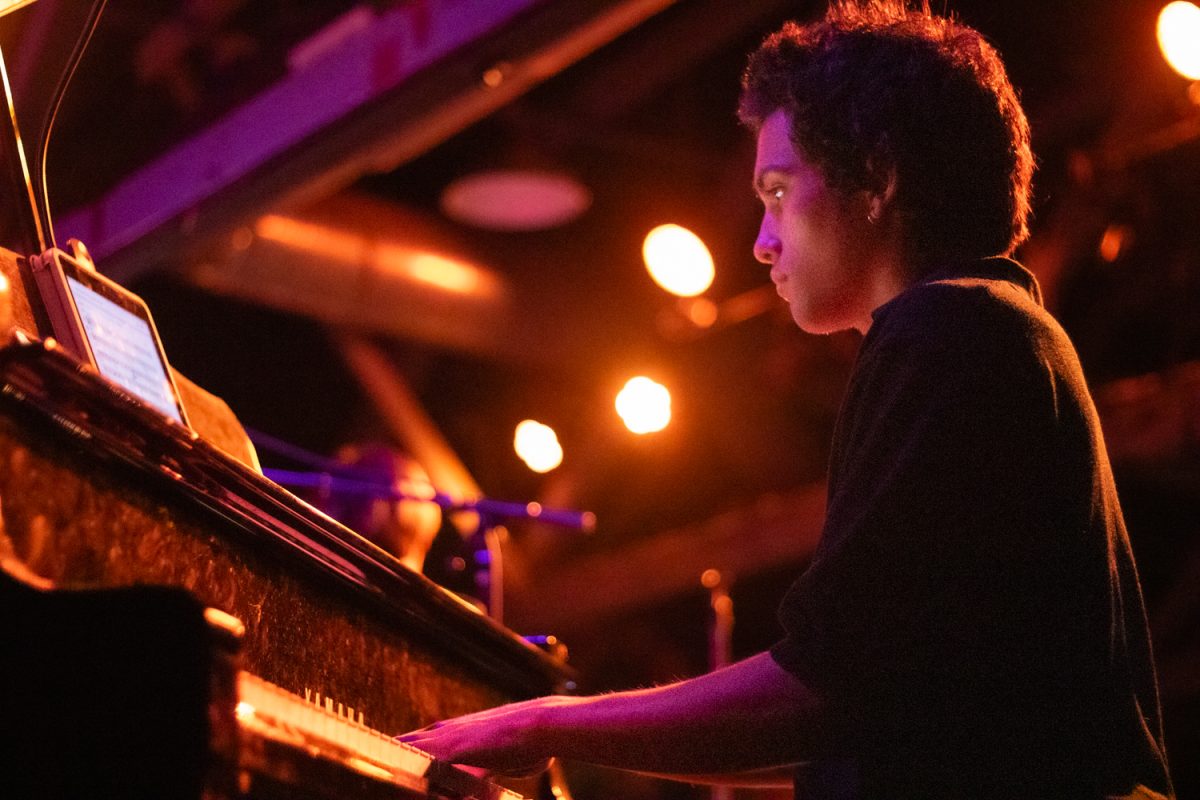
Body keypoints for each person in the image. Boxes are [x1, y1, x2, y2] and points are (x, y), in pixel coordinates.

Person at [399, 2, 1176, 797]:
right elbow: (886, 718)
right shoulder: (1003, 334)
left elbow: (829, 688)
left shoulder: (947, 330)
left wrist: (541, 724)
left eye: (776, 192)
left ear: (875, 175)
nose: (762, 242)